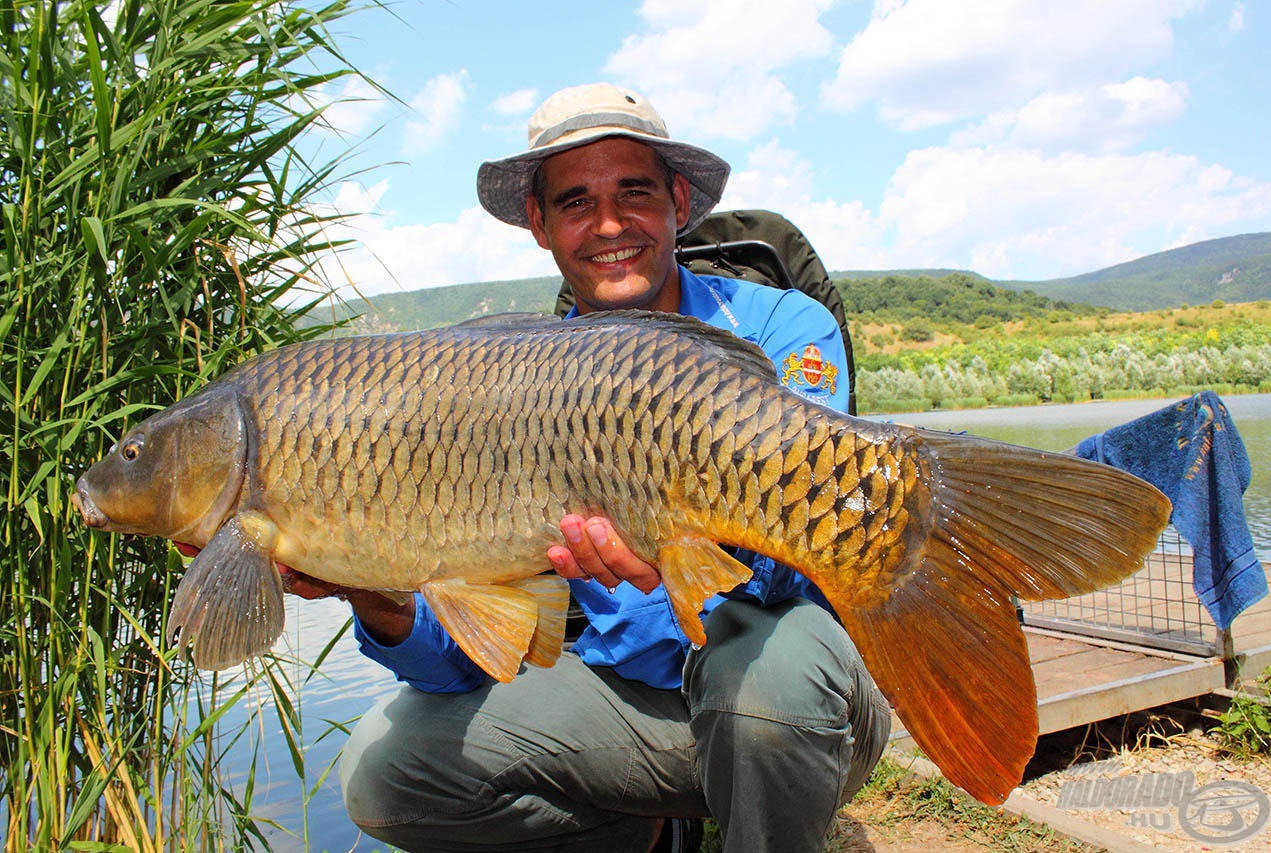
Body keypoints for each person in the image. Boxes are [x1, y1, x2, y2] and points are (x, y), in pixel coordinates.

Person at [291, 83, 890, 852]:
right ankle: (634, 831)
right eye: (576, 202)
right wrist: (376, 596)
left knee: (763, 686)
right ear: (539, 223)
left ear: (678, 199)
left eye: (633, 192)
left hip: (795, 704)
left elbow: (819, 552)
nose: (609, 225)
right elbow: (467, 654)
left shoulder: (780, 325)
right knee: (385, 768)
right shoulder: (517, 384)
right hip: (629, 705)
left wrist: (688, 551)